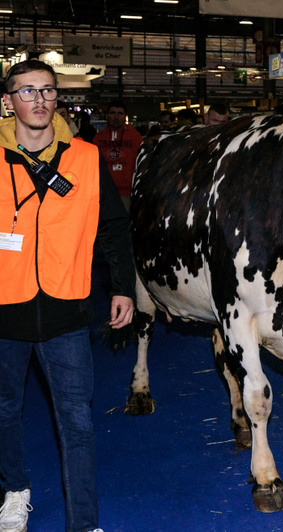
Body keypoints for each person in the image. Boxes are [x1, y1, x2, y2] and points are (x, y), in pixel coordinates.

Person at [0, 59, 135, 532]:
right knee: (3, 414)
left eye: (48, 91)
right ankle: (14, 492)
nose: (39, 101)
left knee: (77, 423)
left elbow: (113, 228)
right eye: (27, 91)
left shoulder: (85, 156)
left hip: (68, 311)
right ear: (8, 100)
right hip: (4, 312)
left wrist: (122, 287)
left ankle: (84, 524)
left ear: (58, 98)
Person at [93, 99, 143, 211]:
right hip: (104, 192)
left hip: (127, 192)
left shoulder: (135, 136)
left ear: (125, 116)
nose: (116, 117)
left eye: (120, 113)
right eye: (112, 113)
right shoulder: (99, 137)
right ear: (107, 115)